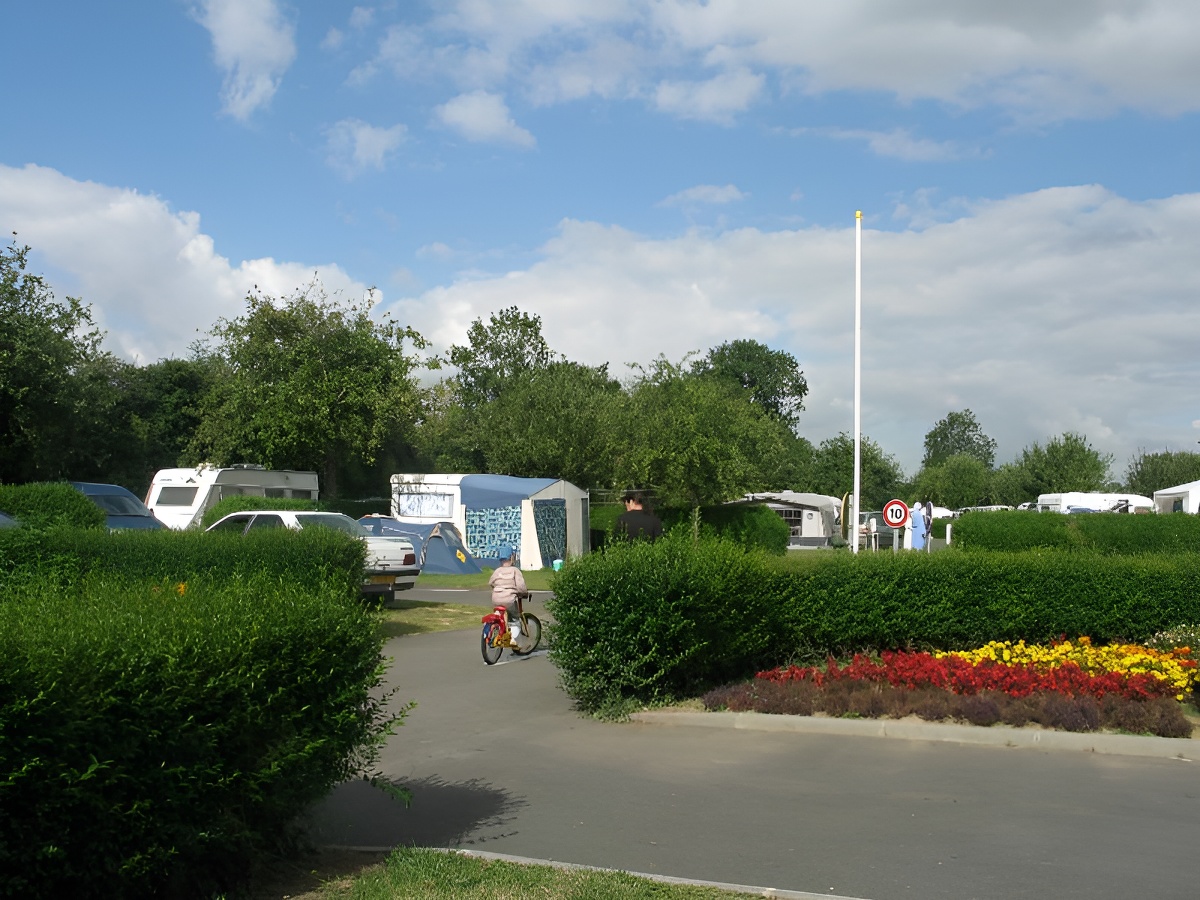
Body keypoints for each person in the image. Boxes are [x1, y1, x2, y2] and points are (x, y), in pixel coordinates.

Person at [488, 546, 529, 643]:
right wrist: (524, 593)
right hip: (509, 599)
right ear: (512, 557)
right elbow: (521, 586)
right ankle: (510, 639)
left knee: (500, 613)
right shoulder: (515, 570)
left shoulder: (497, 571)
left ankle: (497, 627)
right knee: (514, 619)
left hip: (496, 598)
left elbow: (491, 582)